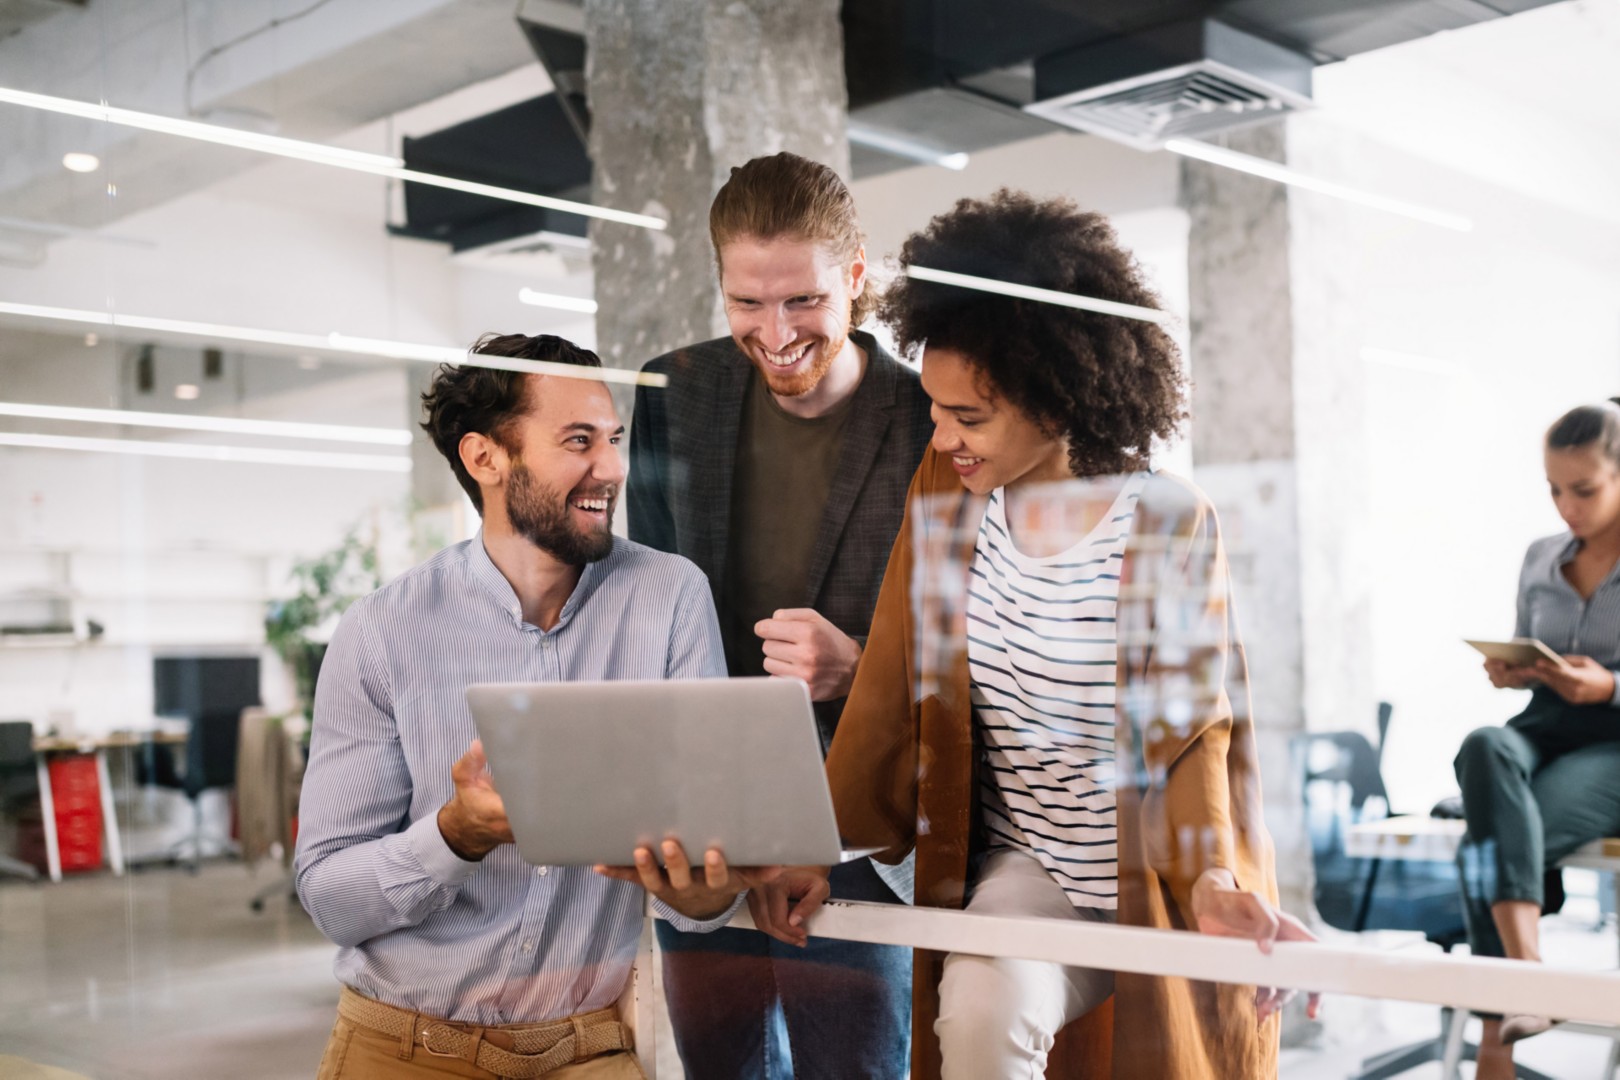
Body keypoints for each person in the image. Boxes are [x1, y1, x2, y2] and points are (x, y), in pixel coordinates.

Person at [753, 191, 1317, 1080]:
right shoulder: (944, 497)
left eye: (968, 417)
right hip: (1033, 872)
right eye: (936, 407)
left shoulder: (1166, 520)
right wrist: (815, 846)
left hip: (1155, 877)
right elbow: (896, 686)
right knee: (978, 1011)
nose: (940, 435)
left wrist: (1216, 884)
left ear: (1056, 403)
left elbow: (1194, 733)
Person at [295, 333, 776, 1080]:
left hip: (586, 1049)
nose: (611, 468)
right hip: (404, 1046)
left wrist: (708, 888)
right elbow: (331, 900)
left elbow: (696, 891)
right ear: (485, 458)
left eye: (614, 440)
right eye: (578, 441)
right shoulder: (383, 631)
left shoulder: (672, 597)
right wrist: (456, 835)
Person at [627, 151, 931, 1080]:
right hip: (712, 815)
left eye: (801, 300)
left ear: (854, 275)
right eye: (747, 304)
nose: (776, 331)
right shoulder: (674, 393)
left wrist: (862, 664)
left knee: (855, 1069)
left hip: (860, 817)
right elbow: (647, 603)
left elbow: (979, 643)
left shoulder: (929, 418)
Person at [1454, 399, 1620, 1079]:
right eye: (1553, 489)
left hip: (1612, 740)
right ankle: (1528, 972)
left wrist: (1610, 686)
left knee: (1489, 839)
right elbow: (1532, 660)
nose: (1565, 507)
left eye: (1583, 490)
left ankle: (1500, 1029)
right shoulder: (1539, 557)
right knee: (1482, 745)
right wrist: (1513, 671)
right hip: (1545, 725)